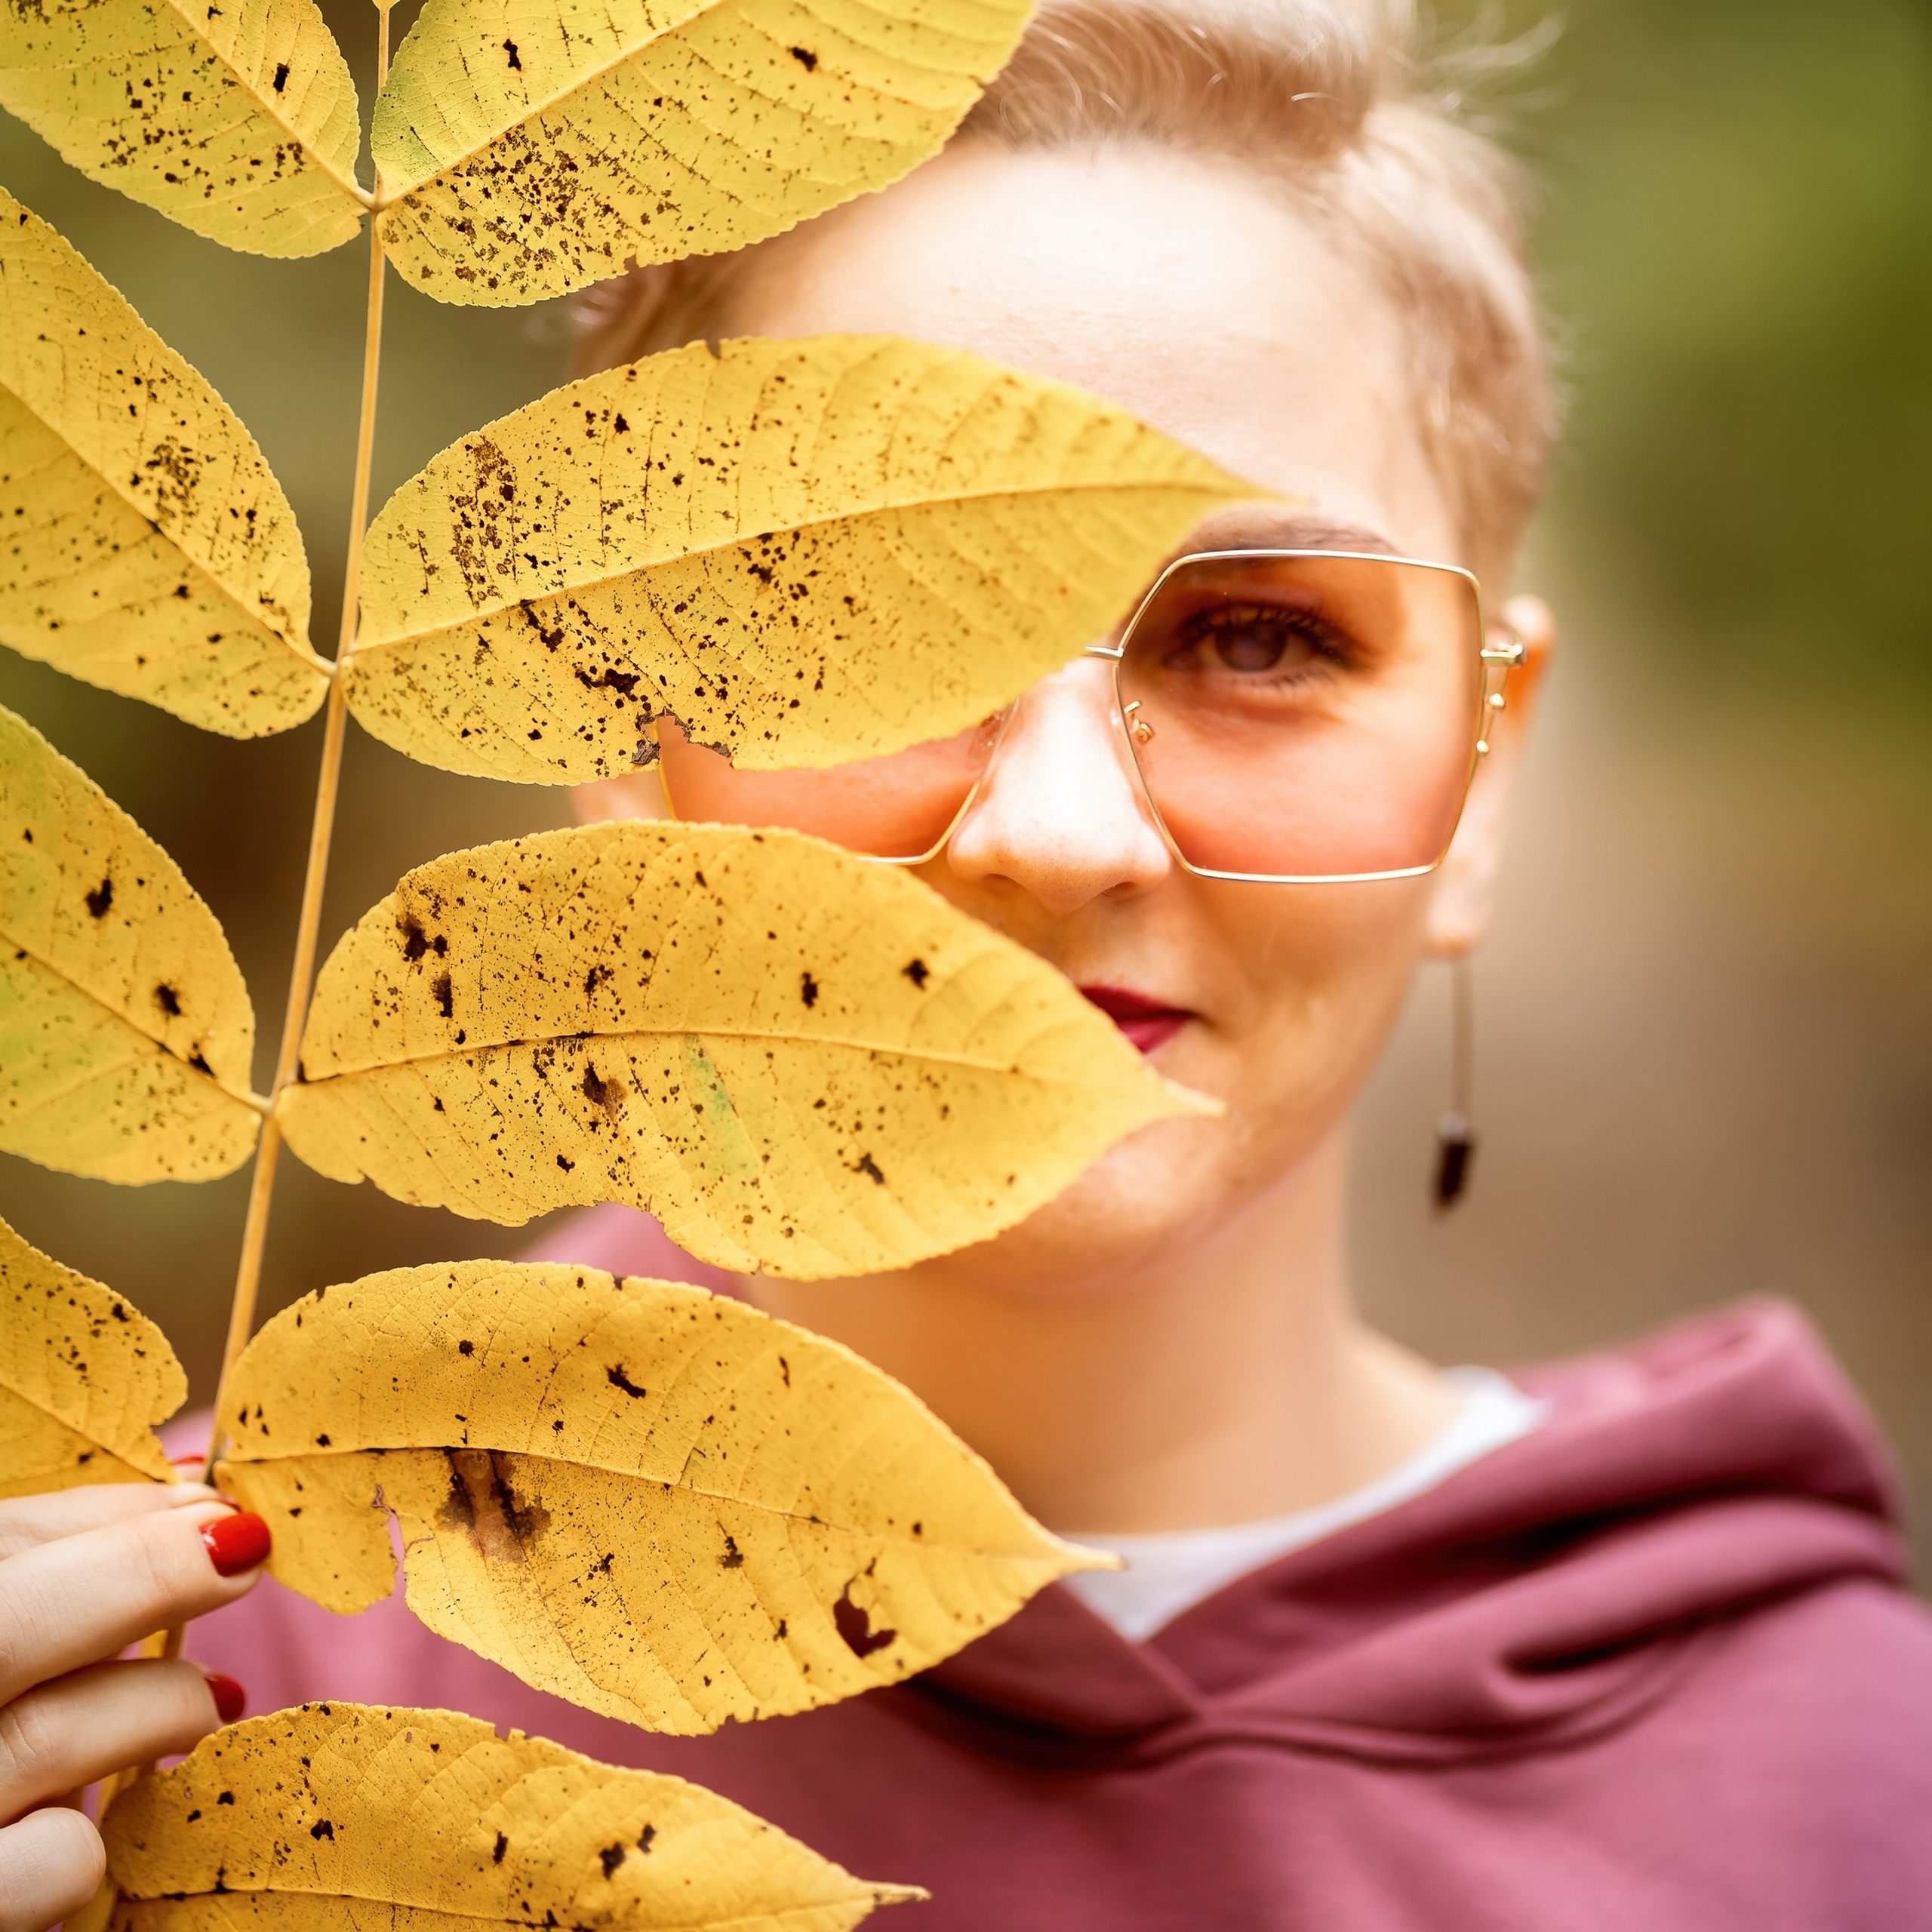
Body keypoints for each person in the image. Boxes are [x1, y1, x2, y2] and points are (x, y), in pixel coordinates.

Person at [5, 2, 1929, 1926]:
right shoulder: (176, 1669)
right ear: (620, 744)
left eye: (1259, 639)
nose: (1064, 831)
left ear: (1481, 771)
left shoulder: (1855, 1795)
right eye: (865, 625)